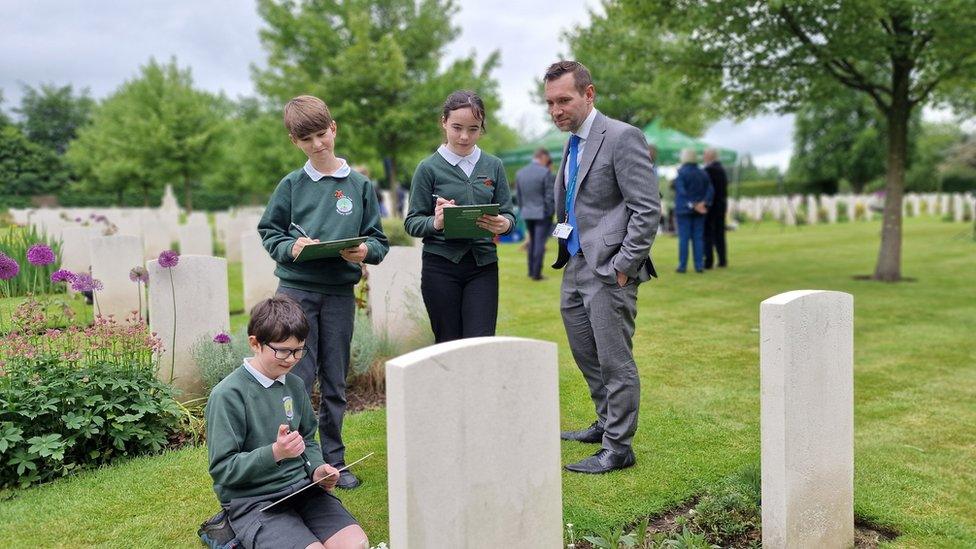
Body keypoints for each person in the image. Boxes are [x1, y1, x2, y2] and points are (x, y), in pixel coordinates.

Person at [258, 95, 389, 490]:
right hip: (296, 292)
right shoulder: (292, 185)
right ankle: (298, 462)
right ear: (294, 141)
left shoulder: (359, 185)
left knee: (334, 379)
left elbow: (379, 241)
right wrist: (290, 248)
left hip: (338, 295)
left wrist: (364, 251)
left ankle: (334, 461)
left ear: (334, 129)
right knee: (296, 377)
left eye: (321, 134)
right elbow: (270, 231)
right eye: (307, 139)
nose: (317, 145)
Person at [544, 61, 660, 474]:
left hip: (610, 269)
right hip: (575, 263)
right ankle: (605, 422)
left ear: (588, 95)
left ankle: (618, 448)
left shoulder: (623, 136)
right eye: (550, 103)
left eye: (564, 100)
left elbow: (646, 209)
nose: (556, 110)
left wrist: (625, 265)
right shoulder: (573, 141)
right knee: (585, 351)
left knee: (615, 360)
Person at [205, 296, 368, 549]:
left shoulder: (294, 384)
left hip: (303, 490)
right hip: (255, 501)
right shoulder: (227, 395)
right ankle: (230, 530)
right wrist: (275, 453)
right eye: (283, 350)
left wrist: (317, 468)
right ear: (255, 343)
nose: (292, 359)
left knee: (356, 545)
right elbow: (223, 469)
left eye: (299, 350)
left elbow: (308, 439)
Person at [404, 90, 516, 343]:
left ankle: (479, 384)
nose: (464, 136)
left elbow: (509, 213)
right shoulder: (428, 168)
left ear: (481, 129)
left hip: (483, 266)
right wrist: (436, 221)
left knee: (480, 342)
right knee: (448, 343)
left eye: (473, 129)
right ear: (444, 122)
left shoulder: (494, 166)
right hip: (440, 267)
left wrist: (504, 224)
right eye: (457, 127)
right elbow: (412, 222)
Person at [515, 148, 556, 280]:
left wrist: (523, 210)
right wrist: (550, 213)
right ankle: (537, 274)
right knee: (539, 243)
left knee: (532, 242)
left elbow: (519, 196)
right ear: (543, 157)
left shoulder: (520, 173)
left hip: (527, 212)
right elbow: (549, 196)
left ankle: (531, 271)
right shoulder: (546, 172)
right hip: (542, 213)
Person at [673, 148, 713, 273]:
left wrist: (692, 205)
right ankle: (699, 265)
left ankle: (682, 266)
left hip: (684, 210)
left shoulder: (681, 173)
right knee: (698, 238)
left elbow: (681, 192)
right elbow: (710, 190)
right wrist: (703, 203)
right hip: (700, 211)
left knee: (684, 238)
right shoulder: (703, 173)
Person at [702, 148, 729, 268]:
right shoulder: (722, 169)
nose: (703, 157)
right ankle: (723, 260)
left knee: (708, 233)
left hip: (711, 206)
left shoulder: (708, 170)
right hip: (722, 205)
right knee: (720, 233)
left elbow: (706, 188)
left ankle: (709, 261)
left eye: (704, 155)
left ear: (709, 156)